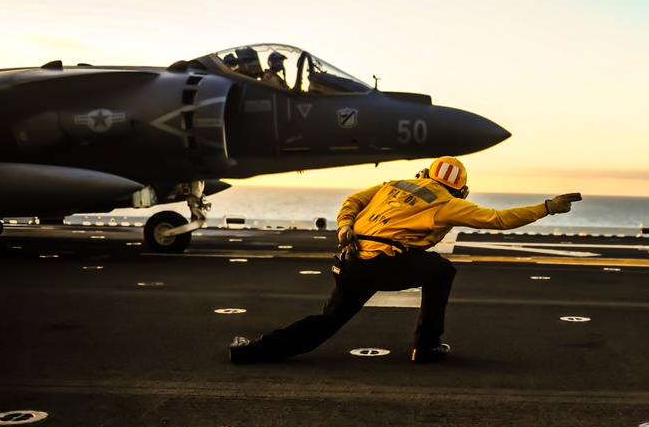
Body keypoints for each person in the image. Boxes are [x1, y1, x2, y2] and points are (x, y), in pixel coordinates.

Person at [229, 156, 581, 364]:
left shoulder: (392, 184)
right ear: (461, 189)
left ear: (424, 174)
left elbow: (352, 200)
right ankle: (426, 346)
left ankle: (252, 351)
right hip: (384, 263)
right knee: (441, 271)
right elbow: (500, 219)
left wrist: (344, 227)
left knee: (325, 322)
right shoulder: (449, 202)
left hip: (350, 258)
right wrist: (547, 207)